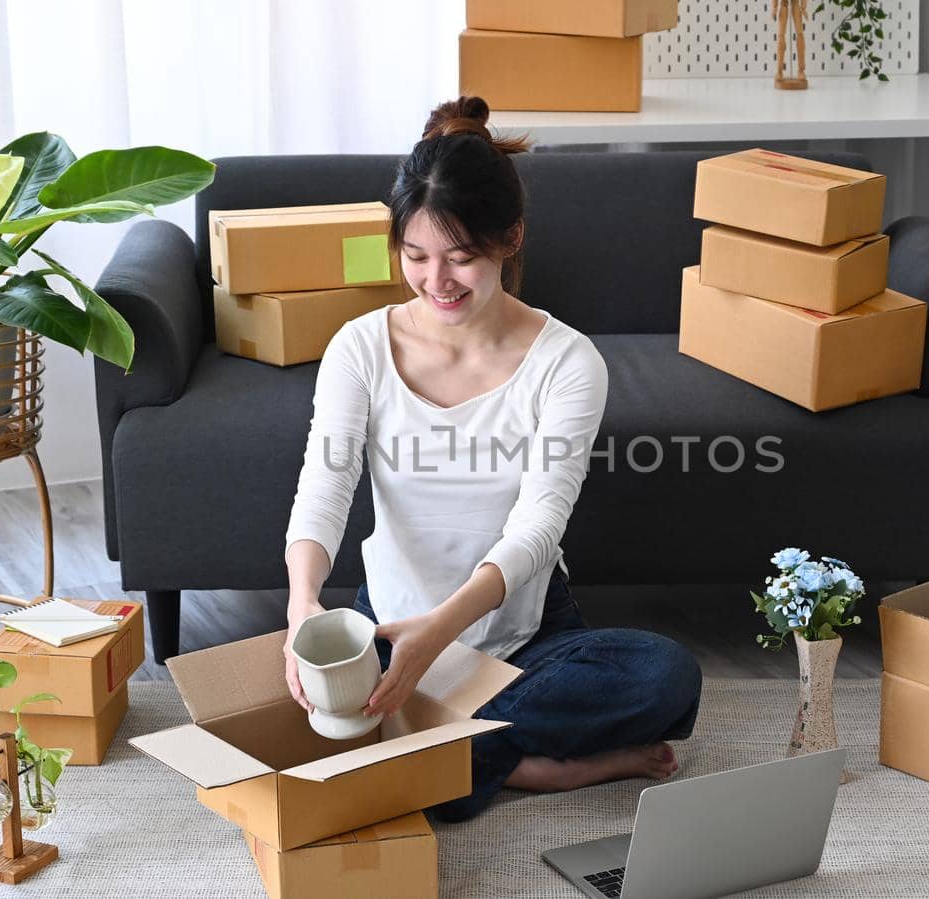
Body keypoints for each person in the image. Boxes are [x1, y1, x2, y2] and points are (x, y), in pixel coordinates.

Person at [281, 96, 702, 822]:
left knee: (666, 675)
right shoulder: (359, 347)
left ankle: (438, 750)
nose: (435, 281)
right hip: (390, 622)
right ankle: (537, 764)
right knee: (343, 702)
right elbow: (326, 484)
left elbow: (539, 525)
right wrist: (301, 603)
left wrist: (442, 633)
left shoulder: (566, 361)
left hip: (525, 632)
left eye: (461, 258)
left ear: (510, 239)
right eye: (415, 256)